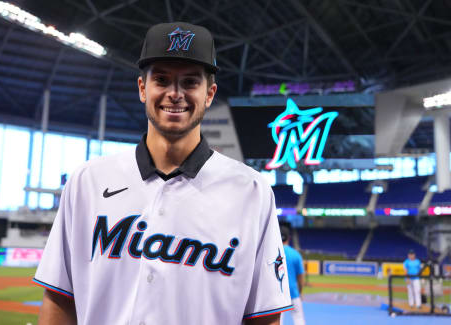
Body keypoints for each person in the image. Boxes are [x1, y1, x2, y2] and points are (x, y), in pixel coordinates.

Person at [33, 22, 292, 325]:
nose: (175, 93)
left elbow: (264, 317)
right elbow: (61, 299)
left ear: (209, 94)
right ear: (143, 88)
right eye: (162, 79)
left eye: (190, 82)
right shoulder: (87, 182)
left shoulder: (252, 191)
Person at [280, 223, 305, 325]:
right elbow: (301, 277)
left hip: (278, 294)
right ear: (289, 238)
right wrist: (300, 292)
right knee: (298, 318)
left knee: (276, 320)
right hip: (293, 293)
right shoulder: (296, 254)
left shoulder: (273, 253)